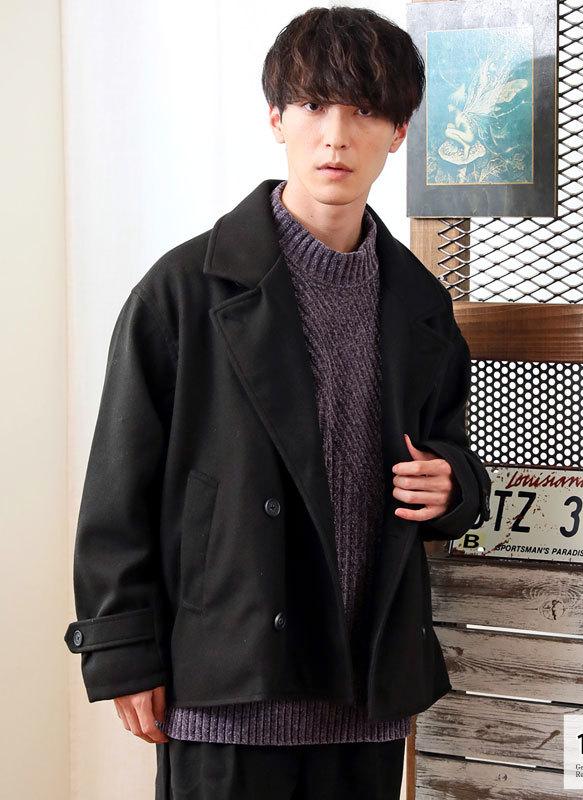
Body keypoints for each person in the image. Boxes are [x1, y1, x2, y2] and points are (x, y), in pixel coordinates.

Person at [64, 6, 492, 799]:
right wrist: (121, 651)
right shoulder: (183, 292)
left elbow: (449, 454)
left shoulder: (421, 305)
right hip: (227, 686)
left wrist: (454, 485)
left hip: (366, 694)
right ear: (276, 118)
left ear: (399, 131)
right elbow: (118, 492)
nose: (336, 136)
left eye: (364, 111)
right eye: (314, 106)